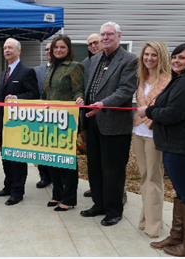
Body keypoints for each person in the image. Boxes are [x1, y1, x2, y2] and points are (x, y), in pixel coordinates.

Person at [137, 43, 185, 257]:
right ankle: (177, 236)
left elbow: (172, 114)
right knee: (181, 193)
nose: (177, 61)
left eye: (182, 58)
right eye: (175, 57)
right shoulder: (181, 80)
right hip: (176, 145)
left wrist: (147, 110)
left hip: (184, 147)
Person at [77, 22, 137, 226]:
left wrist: (102, 104)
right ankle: (98, 204)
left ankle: (114, 210)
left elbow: (125, 91)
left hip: (114, 124)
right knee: (94, 167)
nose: (104, 38)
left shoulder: (129, 60)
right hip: (92, 121)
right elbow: (88, 88)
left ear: (119, 36)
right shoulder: (93, 60)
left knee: (113, 170)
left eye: (109, 34)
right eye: (102, 34)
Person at [0, 38, 40, 206]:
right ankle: (8, 186)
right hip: (4, 122)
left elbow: (34, 93)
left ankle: (17, 191)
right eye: (5, 47)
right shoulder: (4, 73)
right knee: (5, 156)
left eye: (10, 48)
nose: (7, 50)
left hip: (18, 123)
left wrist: (17, 98)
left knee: (17, 158)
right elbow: (0, 98)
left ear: (18, 51)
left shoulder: (27, 71)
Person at [132, 41, 172, 238]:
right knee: (144, 176)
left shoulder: (169, 80)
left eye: (154, 55)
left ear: (161, 57)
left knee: (154, 178)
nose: (149, 58)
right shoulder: (142, 77)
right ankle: (145, 219)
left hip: (155, 133)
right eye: (146, 54)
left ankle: (154, 225)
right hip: (138, 132)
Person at [42, 35, 84, 212]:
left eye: (62, 47)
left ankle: (69, 198)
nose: (58, 50)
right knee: (52, 160)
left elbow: (78, 90)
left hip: (66, 120)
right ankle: (57, 193)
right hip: (50, 120)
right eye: (55, 47)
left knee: (67, 161)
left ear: (68, 49)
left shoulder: (74, 67)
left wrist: (79, 100)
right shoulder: (50, 69)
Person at [81, 32, 104, 198]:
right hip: (89, 116)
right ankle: (95, 187)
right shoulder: (86, 63)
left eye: (95, 42)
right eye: (90, 44)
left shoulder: (113, 61)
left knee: (110, 159)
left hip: (108, 116)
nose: (93, 46)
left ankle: (119, 191)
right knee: (93, 157)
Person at [34, 42, 53, 189]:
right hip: (40, 115)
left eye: (50, 49)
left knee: (55, 147)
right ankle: (44, 177)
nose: (48, 52)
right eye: (46, 49)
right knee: (40, 147)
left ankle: (59, 177)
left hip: (58, 116)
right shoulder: (37, 70)